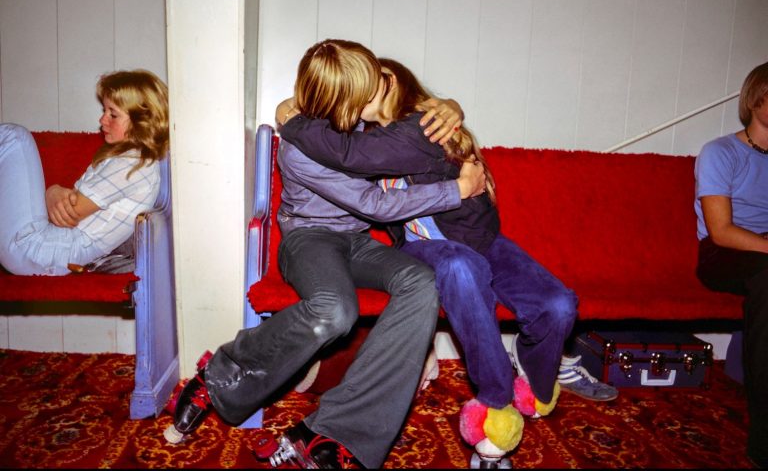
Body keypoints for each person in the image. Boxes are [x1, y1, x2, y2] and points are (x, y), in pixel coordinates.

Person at [164, 39, 486, 469]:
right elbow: (373, 203)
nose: (378, 92)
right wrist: (457, 190)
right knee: (334, 311)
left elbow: (406, 111)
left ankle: (337, 430)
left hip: (357, 241)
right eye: (368, 88)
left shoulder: (360, 122)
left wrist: (448, 106)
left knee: (421, 283)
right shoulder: (302, 149)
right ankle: (221, 374)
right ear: (343, 99)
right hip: (308, 239)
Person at [278, 55, 581, 465]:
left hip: (479, 240)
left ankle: (533, 372)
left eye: (370, 82)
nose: (359, 94)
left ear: (390, 82)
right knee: (460, 267)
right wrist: (289, 110)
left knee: (558, 304)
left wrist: (291, 120)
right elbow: (342, 145)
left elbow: (353, 153)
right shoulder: (365, 133)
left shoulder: (423, 127)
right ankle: (495, 401)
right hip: (420, 248)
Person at [0, 69, 169, 276]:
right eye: (104, 110)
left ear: (142, 121)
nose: (102, 120)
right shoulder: (128, 159)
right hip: (42, 249)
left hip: (38, 249)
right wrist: (54, 195)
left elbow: (68, 214)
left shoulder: (134, 164)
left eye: (113, 114)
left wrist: (52, 192)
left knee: (14, 137)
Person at [694, 61, 768, 469]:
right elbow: (721, 231)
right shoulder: (720, 152)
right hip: (723, 254)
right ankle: (763, 443)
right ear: (756, 100)